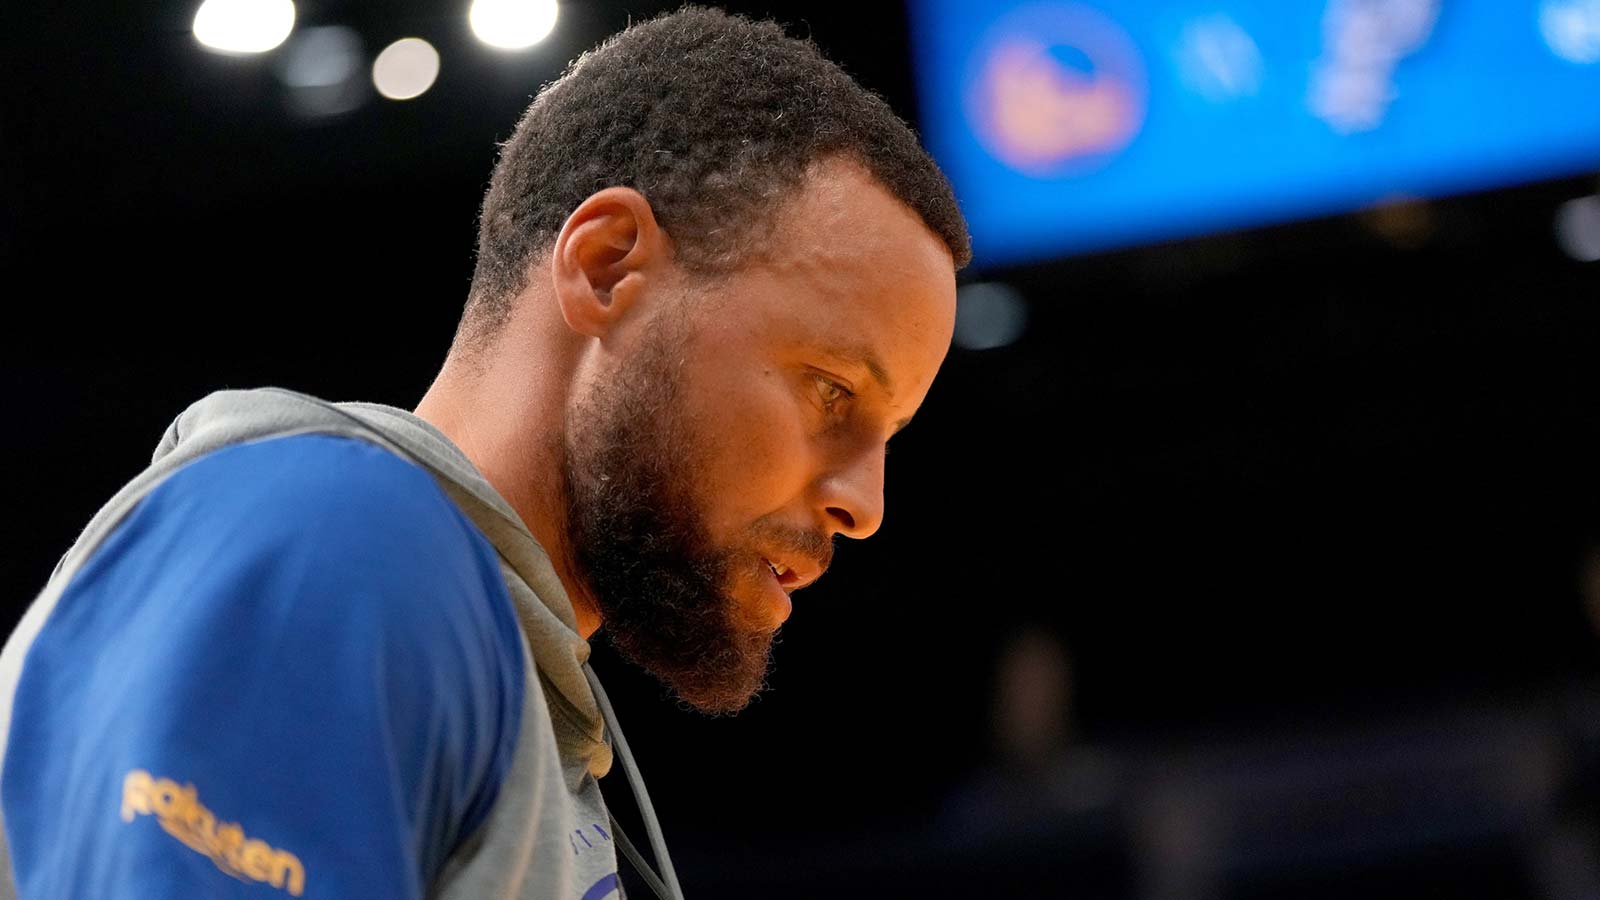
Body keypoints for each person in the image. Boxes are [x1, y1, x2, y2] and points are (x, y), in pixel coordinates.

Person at [0, 6, 969, 900]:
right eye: (832, 390)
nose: (865, 502)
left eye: (889, 436)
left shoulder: (500, 669)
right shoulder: (335, 536)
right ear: (606, 267)